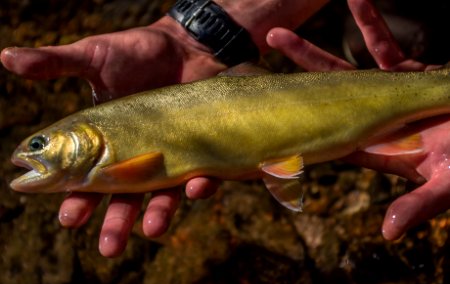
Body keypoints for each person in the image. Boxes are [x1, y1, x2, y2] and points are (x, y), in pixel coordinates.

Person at [1, 0, 448, 257]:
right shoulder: (104, 155)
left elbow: (144, 169)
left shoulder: (108, 162)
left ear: (86, 137)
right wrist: (203, 32)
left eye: (39, 144)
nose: (32, 154)